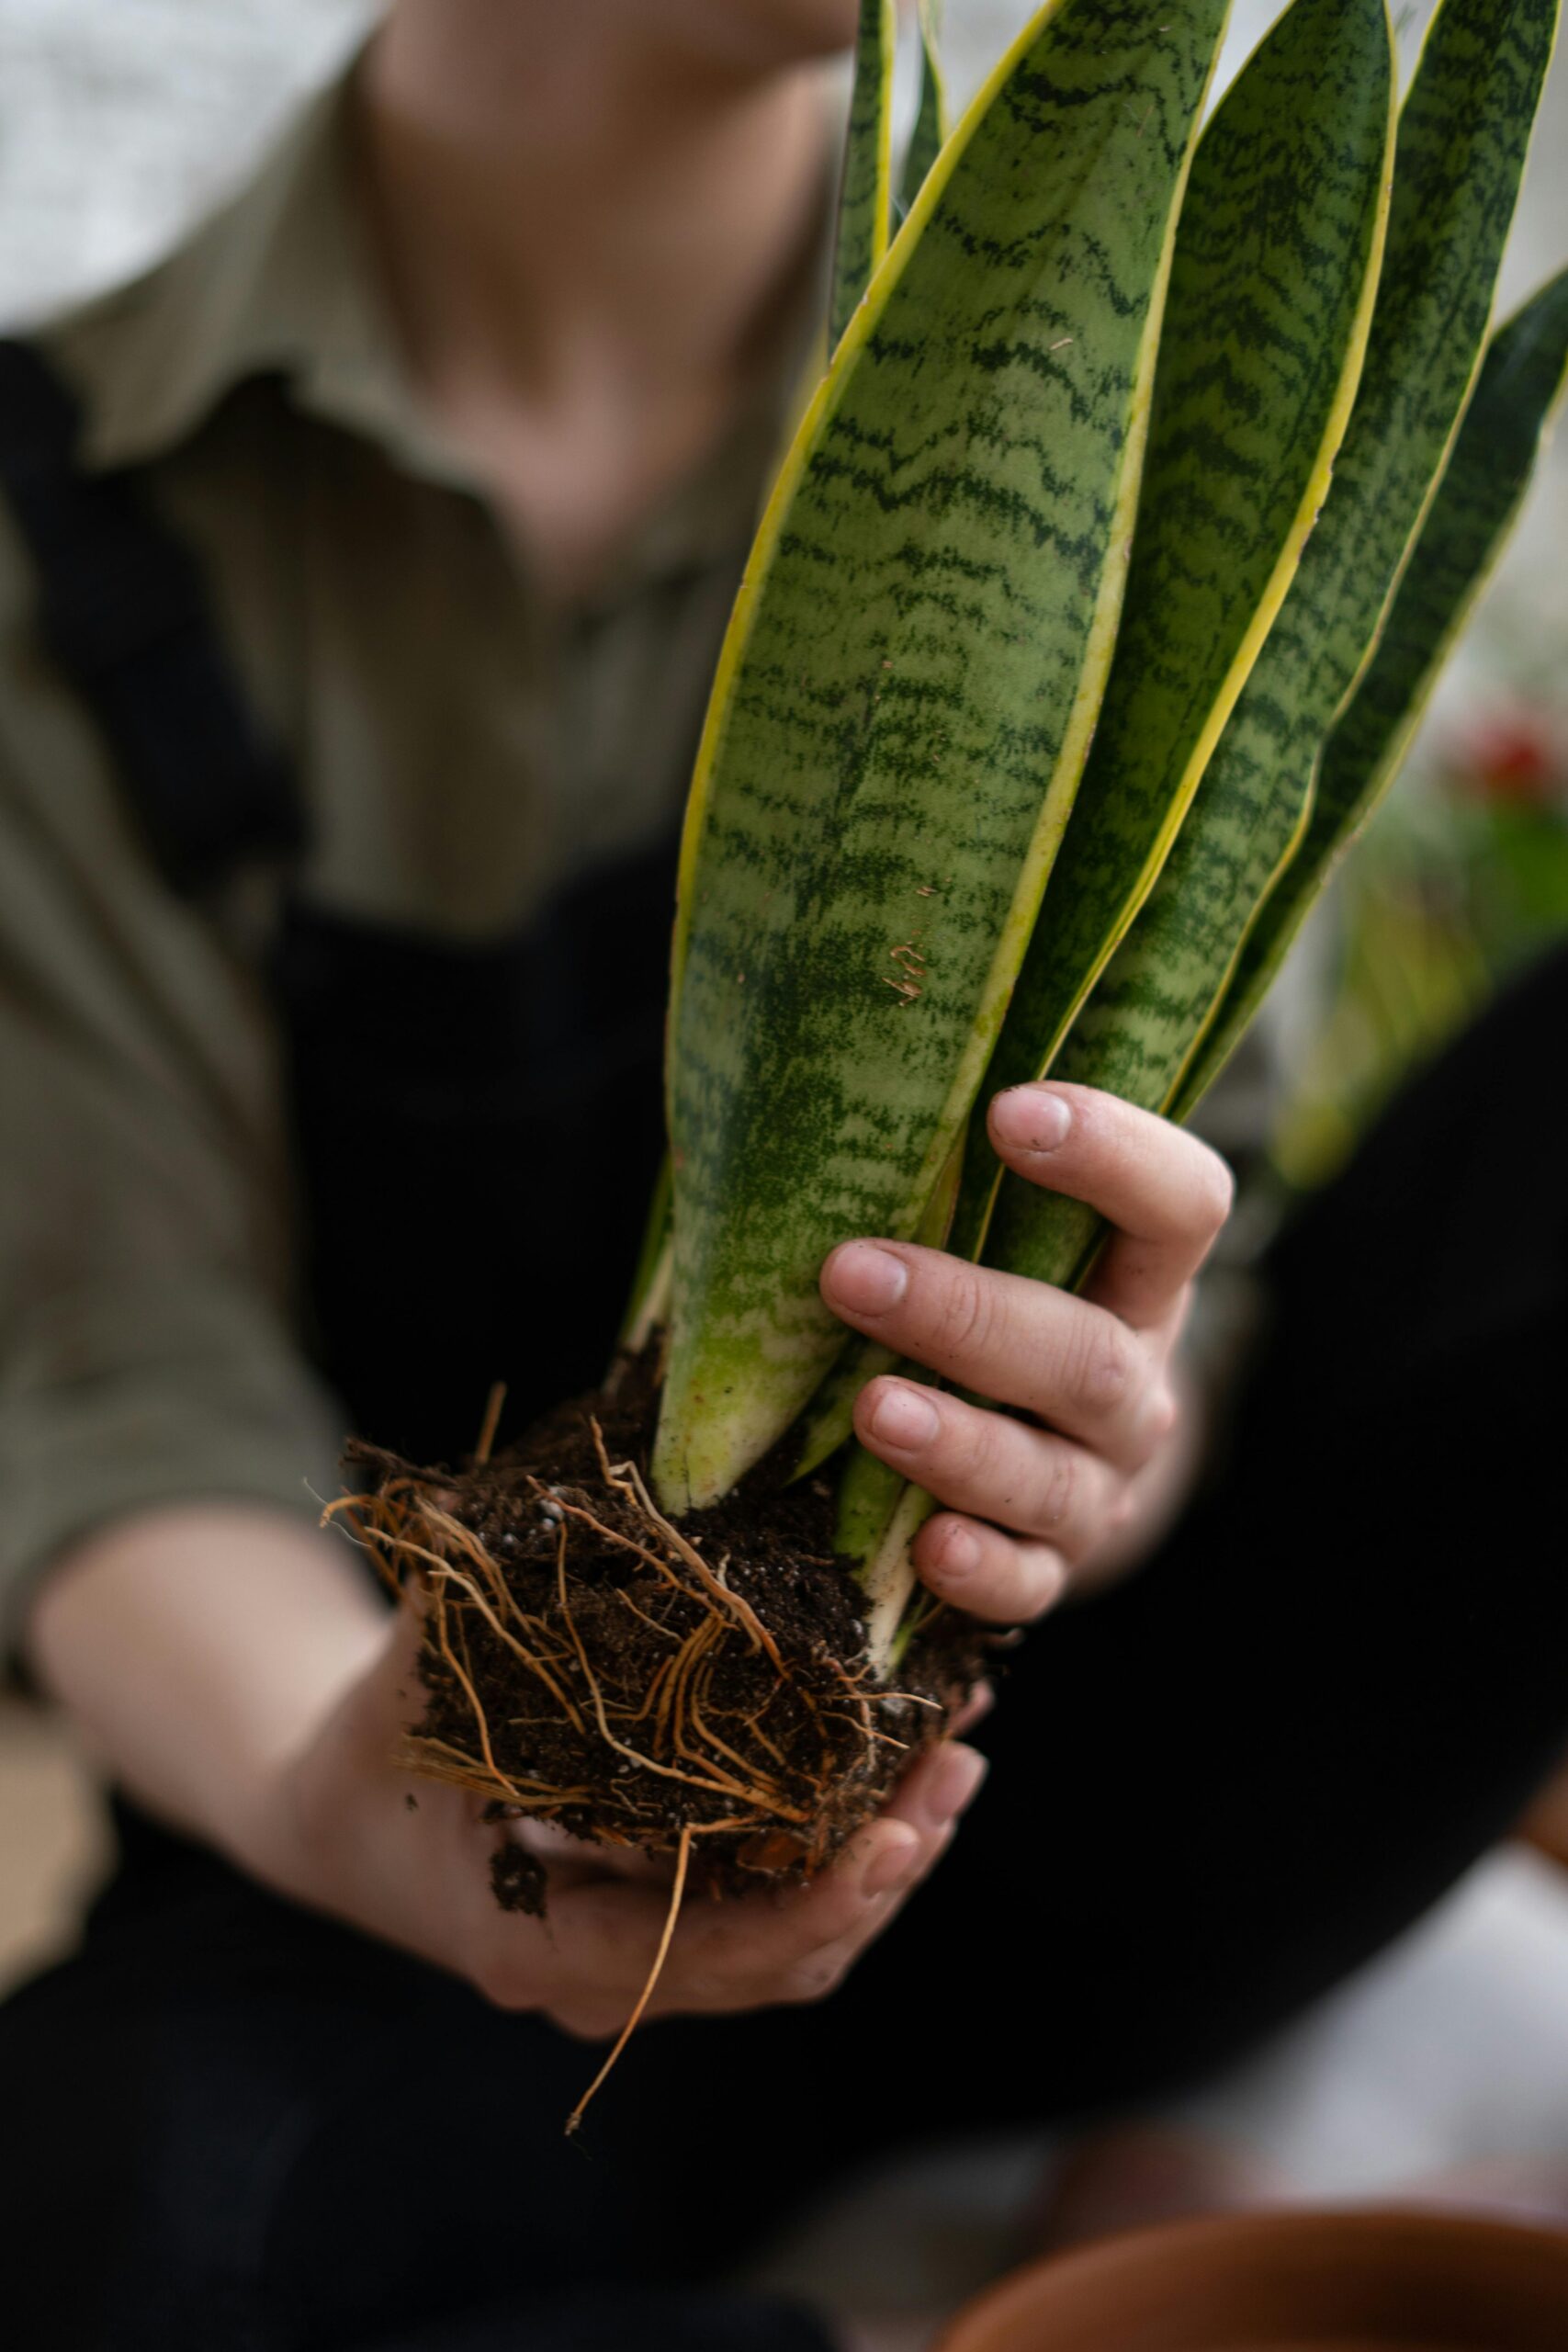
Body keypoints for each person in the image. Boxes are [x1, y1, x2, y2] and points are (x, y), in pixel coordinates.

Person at [1, 5, 1564, 2347]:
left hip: (1076, 1786)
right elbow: (107, 1384)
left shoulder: (1125, 364)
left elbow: (1202, 1248)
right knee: (93, 2206)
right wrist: (367, 1792)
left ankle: (1221, 2113)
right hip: (442, 1844)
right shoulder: (57, 505)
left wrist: (1079, 1450)